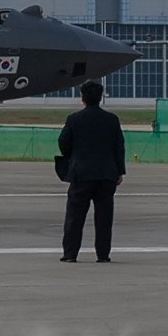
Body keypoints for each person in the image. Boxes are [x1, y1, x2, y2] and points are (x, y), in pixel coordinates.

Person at [56, 80, 124, 262]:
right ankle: (103, 255)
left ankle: (70, 254)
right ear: (101, 98)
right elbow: (119, 147)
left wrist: (73, 157)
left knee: (74, 217)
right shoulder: (112, 119)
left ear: (83, 98)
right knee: (104, 218)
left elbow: (63, 143)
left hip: (81, 173)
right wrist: (120, 171)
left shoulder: (74, 119)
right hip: (106, 173)